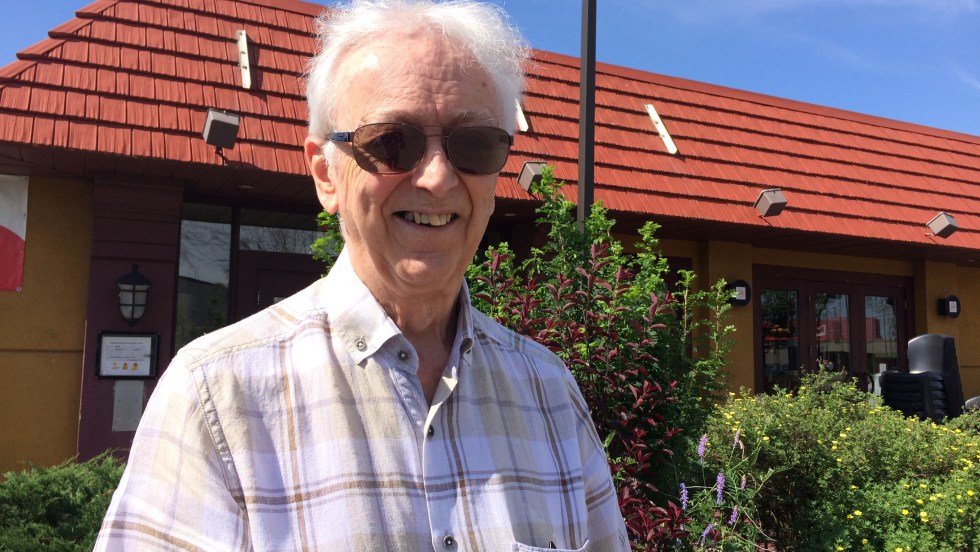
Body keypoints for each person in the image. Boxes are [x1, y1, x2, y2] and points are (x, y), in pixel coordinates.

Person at [96, 1, 629, 550]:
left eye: (473, 144)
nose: (440, 179)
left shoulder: (550, 392)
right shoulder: (216, 397)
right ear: (326, 175)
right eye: (392, 141)